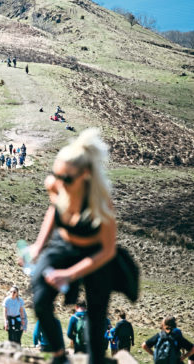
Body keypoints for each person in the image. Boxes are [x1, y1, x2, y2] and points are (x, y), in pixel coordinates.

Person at [27, 128, 138, 364]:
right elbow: (53, 210)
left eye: (67, 178)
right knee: (40, 298)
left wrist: (68, 274)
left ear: (85, 174)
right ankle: (58, 354)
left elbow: (108, 250)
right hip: (63, 244)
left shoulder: (101, 203)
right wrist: (38, 246)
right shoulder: (56, 184)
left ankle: (97, 359)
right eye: (56, 174)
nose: (60, 182)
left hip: (95, 253)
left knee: (96, 313)